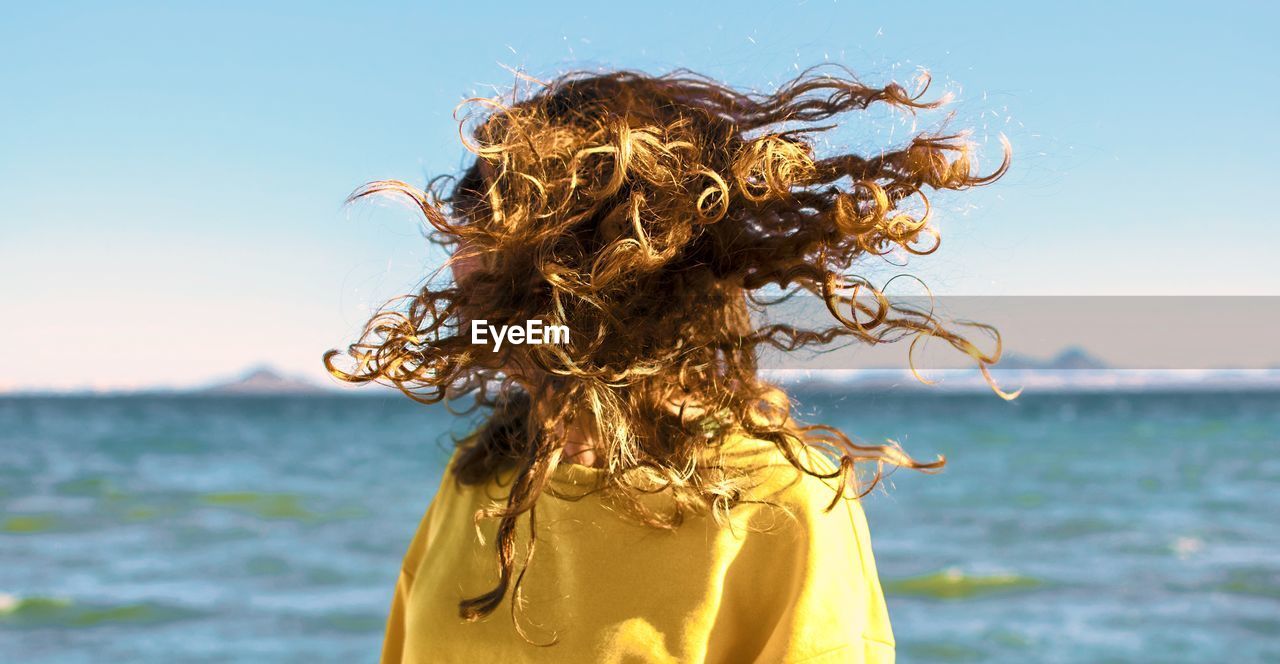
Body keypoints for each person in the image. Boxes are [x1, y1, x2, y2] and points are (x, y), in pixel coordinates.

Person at [326, 66, 1009, 663]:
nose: (459, 268)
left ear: (611, 267)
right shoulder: (482, 476)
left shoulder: (777, 505)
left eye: (491, 232)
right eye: (463, 229)